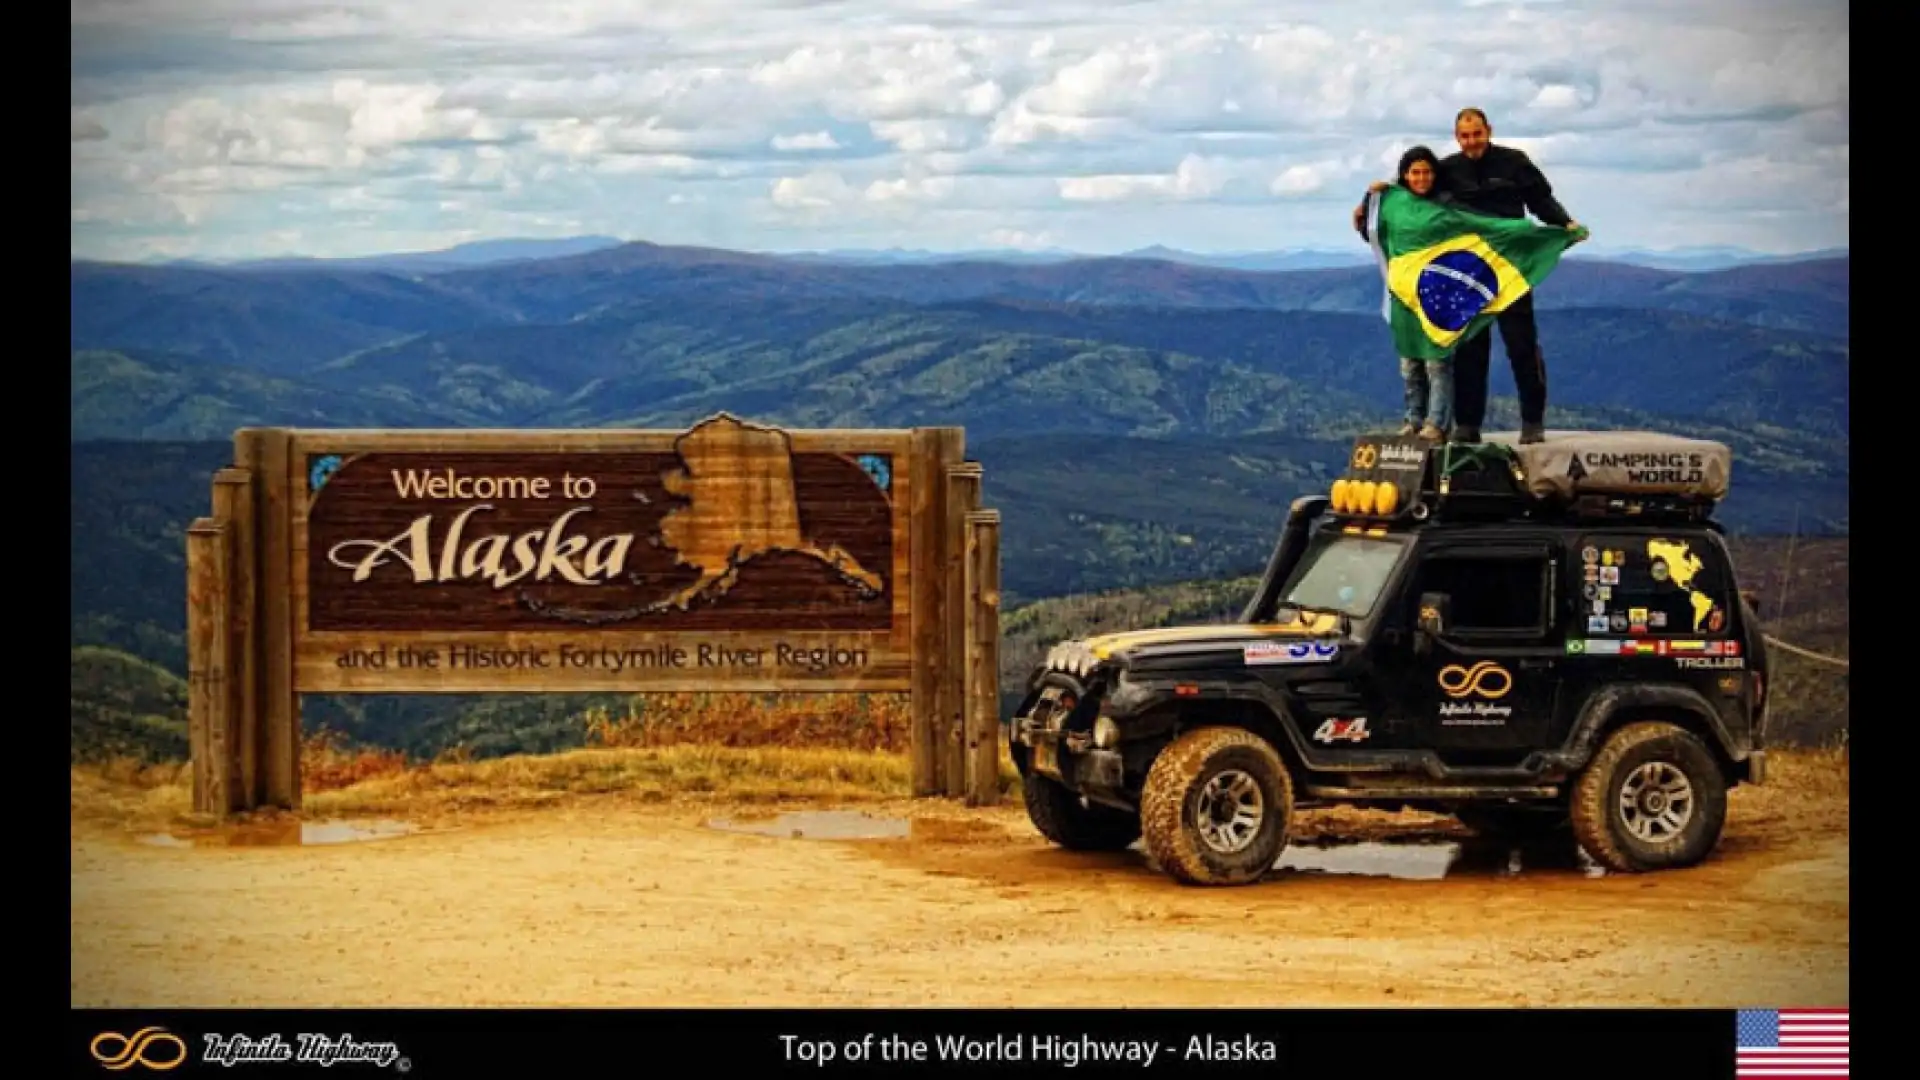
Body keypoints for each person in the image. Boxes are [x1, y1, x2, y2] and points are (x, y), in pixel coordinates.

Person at [1431, 107, 1583, 445]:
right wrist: (1372, 203)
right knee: (1470, 348)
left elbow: (1541, 200)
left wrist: (1565, 224)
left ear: (1489, 131)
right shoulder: (1447, 170)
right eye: (1465, 136)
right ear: (1457, 137)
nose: (1472, 141)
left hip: (1511, 270)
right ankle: (1467, 424)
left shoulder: (1514, 163)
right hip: (1470, 273)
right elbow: (1416, 197)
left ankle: (1532, 421)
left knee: (1521, 344)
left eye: (1477, 134)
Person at [1352, 146, 1453, 442]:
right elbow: (1373, 231)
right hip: (1404, 295)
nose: (1421, 178)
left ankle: (1437, 423)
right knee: (1410, 363)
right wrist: (1369, 199)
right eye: (1415, 172)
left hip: (1439, 294)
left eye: (1427, 172)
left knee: (1437, 362)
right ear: (1405, 175)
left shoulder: (1447, 205)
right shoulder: (1395, 204)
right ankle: (1413, 419)